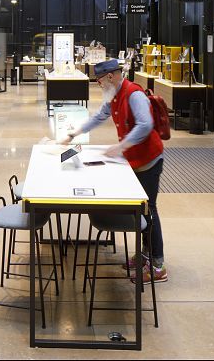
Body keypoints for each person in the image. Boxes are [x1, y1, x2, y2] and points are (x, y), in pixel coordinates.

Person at [61, 59, 167, 283]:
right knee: (140, 210)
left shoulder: (133, 94)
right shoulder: (115, 96)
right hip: (135, 161)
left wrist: (121, 146)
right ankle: (144, 255)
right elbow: (99, 116)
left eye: (99, 82)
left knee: (149, 211)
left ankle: (158, 265)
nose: (99, 86)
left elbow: (145, 125)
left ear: (110, 77)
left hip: (149, 161)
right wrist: (75, 133)